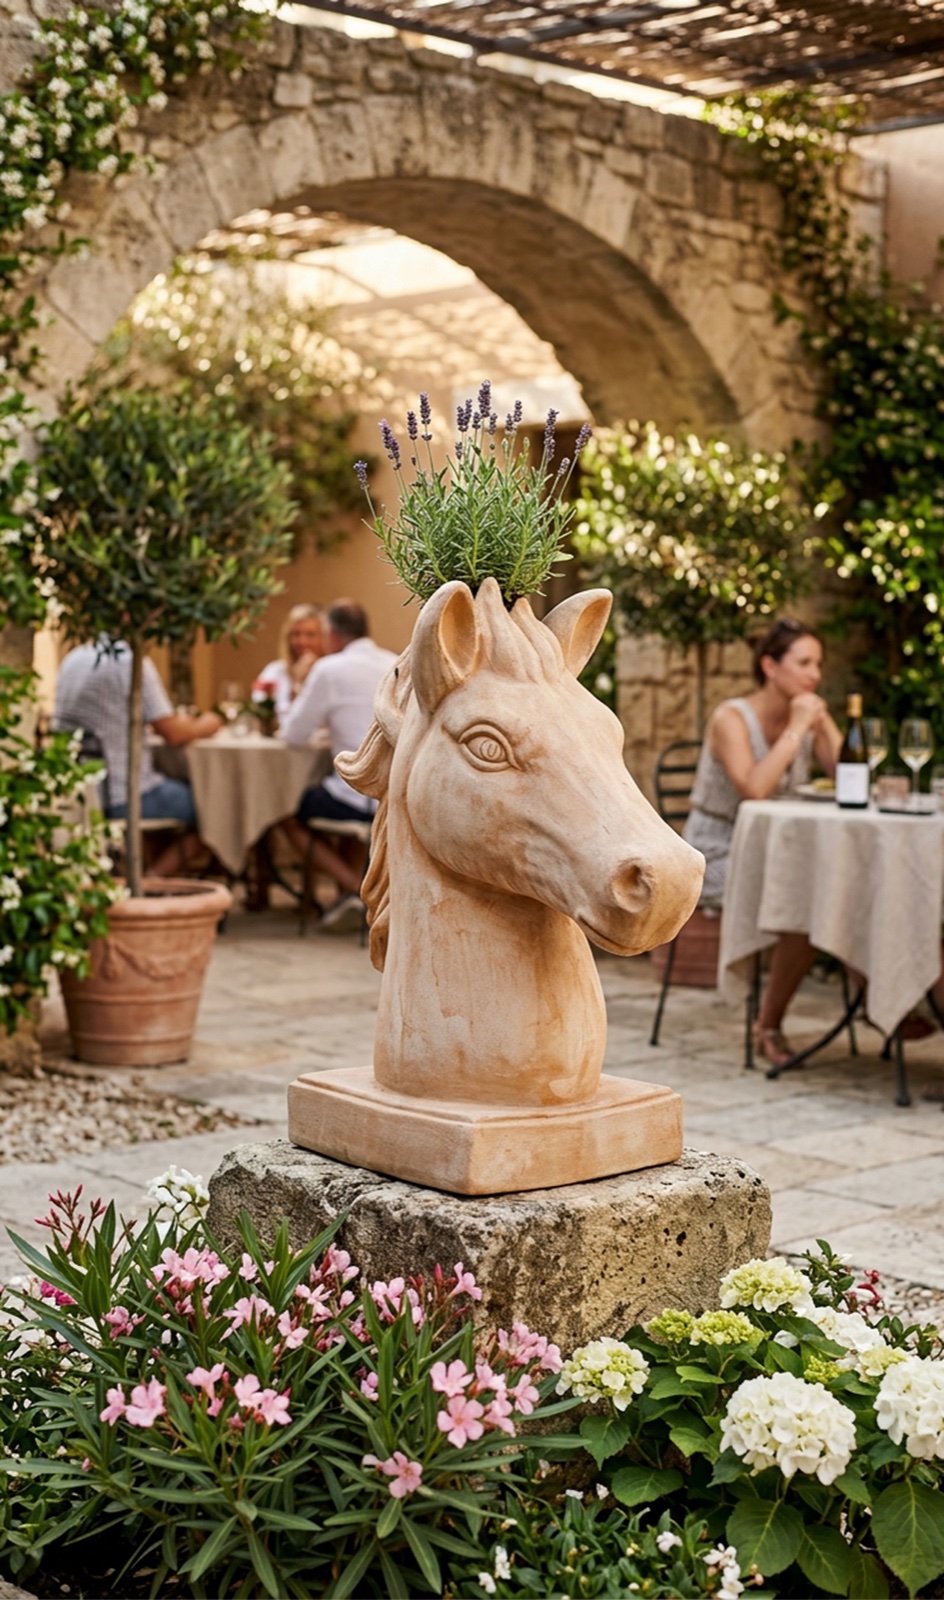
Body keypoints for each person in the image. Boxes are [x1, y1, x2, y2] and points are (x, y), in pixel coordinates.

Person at [684, 617, 842, 1068]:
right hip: (715, 853)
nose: (814, 674)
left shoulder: (807, 716)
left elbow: (850, 778)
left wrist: (824, 721)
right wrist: (797, 728)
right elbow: (754, 789)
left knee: (836, 883)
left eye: (819, 664)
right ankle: (768, 1025)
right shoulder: (731, 718)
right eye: (804, 663)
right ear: (770, 666)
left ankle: (874, 1001)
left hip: (778, 850)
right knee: (806, 896)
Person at [54, 638, 223, 875]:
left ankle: (142, 877)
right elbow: (173, 733)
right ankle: (148, 881)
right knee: (217, 806)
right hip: (123, 795)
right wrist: (209, 723)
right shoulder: (129, 661)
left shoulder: (73, 659)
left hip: (82, 792)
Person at [280, 600, 396, 930]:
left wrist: (302, 687)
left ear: (331, 635)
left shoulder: (329, 670)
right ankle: (353, 894)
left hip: (355, 795)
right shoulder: (395, 662)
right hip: (392, 793)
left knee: (287, 813)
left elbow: (293, 735)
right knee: (336, 794)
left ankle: (358, 892)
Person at [255, 604, 325, 727]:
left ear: (323, 638)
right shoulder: (275, 671)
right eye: (296, 634)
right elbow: (259, 710)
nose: (302, 641)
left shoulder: (330, 672)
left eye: (310, 635)